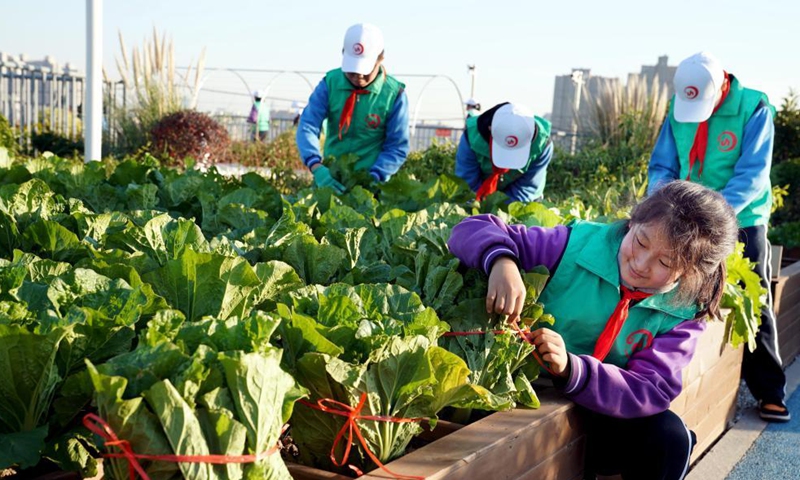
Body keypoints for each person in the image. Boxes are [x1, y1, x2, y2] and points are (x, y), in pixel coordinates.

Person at [448, 180, 739, 479]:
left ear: (690, 273)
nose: (641, 263)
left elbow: (652, 388)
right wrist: (502, 261)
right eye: (640, 242)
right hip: (527, 393)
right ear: (632, 222)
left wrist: (573, 369)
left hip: (606, 406)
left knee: (670, 438)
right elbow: (469, 228)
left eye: (665, 262)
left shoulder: (685, 310)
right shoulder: (575, 245)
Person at [648, 52, 789, 422]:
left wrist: (712, 213)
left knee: (752, 300)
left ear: (721, 87)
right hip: (684, 220)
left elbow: (753, 174)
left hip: (741, 218)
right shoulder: (680, 107)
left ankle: (771, 390)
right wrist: (663, 203)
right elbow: (663, 164)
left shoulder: (754, 107)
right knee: (676, 291)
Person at [296, 23, 410, 194]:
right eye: (352, 72)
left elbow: (397, 146)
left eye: (365, 71)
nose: (359, 77)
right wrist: (316, 166)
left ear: (380, 59)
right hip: (329, 180)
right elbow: (308, 125)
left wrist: (374, 177)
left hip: (372, 186)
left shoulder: (394, 95)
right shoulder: (330, 83)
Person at [455, 102, 553, 203]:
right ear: (490, 129)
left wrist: (499, 210)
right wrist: (479, 207)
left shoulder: (542, 145)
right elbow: (467, 182)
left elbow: (527, 187)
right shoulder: (471, 138)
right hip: (480, 191)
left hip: (520, 197)